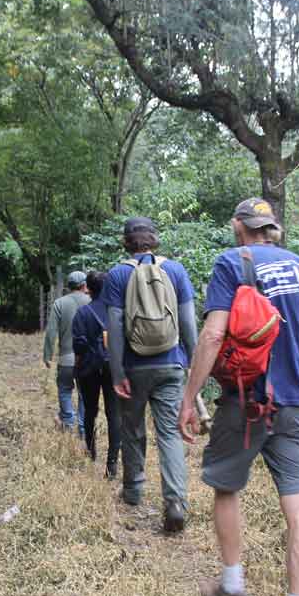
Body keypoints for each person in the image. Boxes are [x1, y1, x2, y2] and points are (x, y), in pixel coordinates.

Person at [178, 198, 299, 596]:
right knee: (298, 510)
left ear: (238, 226)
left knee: (226, 488)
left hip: (244, 403)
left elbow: (213, 333)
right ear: (271, 228)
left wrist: (190, 397)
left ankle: (231, 590)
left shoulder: (232, 262)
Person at [104, 217, 198, 533]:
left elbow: (115, 328)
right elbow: (188, 324)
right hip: (171, 364)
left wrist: (117, 372)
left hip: (133, 366)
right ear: (154, 240)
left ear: (126, 242)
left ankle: (133, 490)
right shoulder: (176, 271)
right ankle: (174, 501)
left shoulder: (117, 274)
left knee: (132, 429)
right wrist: (193, 364)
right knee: (170, 432)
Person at [72, 271, 121, 479]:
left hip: (89, 368)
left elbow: (78, 344)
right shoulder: (116, 311)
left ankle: (91, 451)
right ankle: (112, 464)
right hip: (113, 367)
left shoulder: (83, 313)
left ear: (88, 289)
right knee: (114, 415)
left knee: (90, 410)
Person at [43, 271, 90, 436]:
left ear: (68, 286)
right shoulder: (92, 301)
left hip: (66, 358)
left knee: (64, 389)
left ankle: (68, 424)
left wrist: (47, 355)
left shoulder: (60, 303)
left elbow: (51, 332)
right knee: (85, 394)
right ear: (85, 285)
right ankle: (83, 429)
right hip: (87, 360)